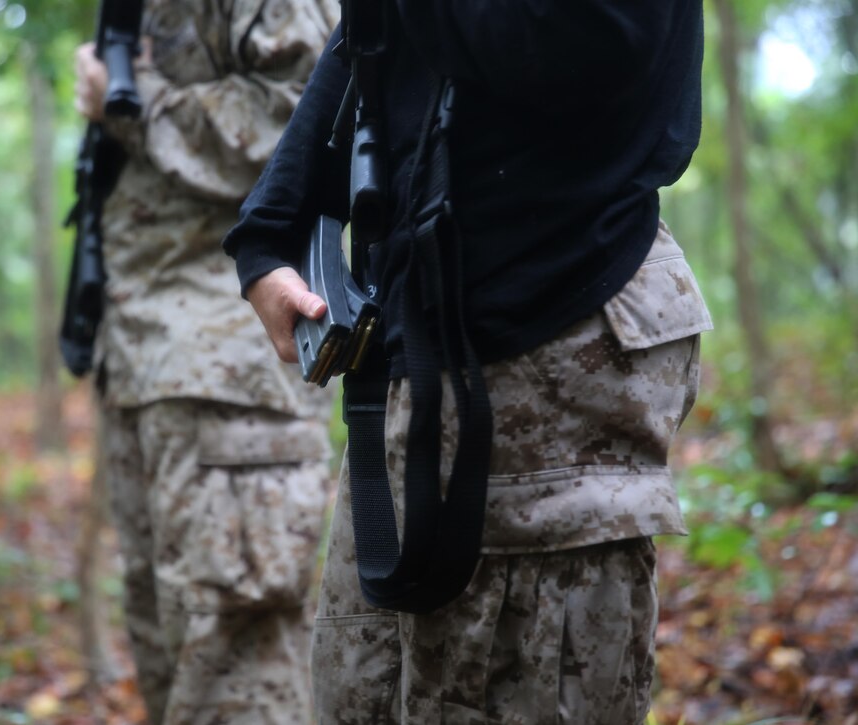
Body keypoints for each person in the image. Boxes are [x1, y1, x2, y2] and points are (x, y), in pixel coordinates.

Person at [223, 2, 714, 722]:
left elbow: (593, 40)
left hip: (555, 334)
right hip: (412, 357)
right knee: (364, 689)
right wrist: (273, 226)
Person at [71, 1, 339, 722]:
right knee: (174, 661)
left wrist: (134, 105)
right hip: (146, 358)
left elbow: (306, 117)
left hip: (233, 364)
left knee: (236, 667)